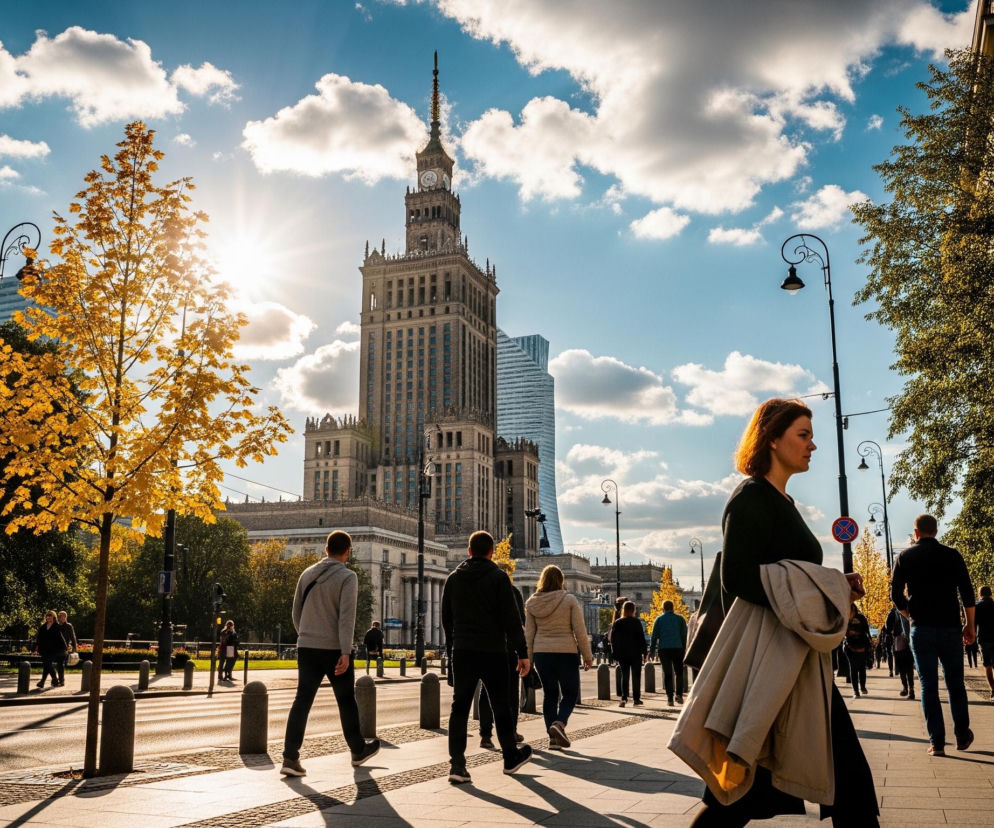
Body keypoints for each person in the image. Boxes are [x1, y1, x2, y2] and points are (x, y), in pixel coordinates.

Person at [684, 398, 877, 827]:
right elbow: (738, 577)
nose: (813, 446)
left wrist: (834, 585)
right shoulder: (752, 497)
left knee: (746, 797)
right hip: (773, 663)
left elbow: (788, 576)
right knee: (845, 785)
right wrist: (817, 588)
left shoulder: (782, 501)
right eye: (803, 435)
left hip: (794, 661)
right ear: (772, 439)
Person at [280, 530, 380, 776]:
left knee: (302, 701)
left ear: (326, 549)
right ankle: (357, 749)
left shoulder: (307, 574)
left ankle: (290, 757)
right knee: (346, 700)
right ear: (348, 551)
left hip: (307, 647)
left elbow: (296, 612)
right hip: (334, 649)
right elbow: (346, 617)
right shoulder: (348, 577)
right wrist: (345, 651)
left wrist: (306, 634)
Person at [442, 530, 532, 784]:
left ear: (469, 551)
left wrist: (452, 651)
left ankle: (457, 765)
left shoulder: (453, 579)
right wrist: (522, 653)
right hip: (493, 650)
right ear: (491, 552)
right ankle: (510, 757)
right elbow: (512, 620)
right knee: (500, 704)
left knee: (459, 708)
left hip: (463, 651)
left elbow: (447, 621)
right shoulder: (499, 578)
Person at [891, 514, 976, 756]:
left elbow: (895, 595)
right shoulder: (952, 555)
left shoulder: (905, 557)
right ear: (936, 531)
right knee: (955, 683)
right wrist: (970, 625)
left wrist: (910, 615)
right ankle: (962, 735)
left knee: (928, 686)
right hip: (950, 627)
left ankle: (937, 743)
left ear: (916, 533)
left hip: (922, 629)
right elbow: (967, 593)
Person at [525, 564, 594, 751]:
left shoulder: (532, 603)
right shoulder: (569, 600)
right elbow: (580, 630)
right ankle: (560, 723)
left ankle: (553, 739)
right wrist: (587, 655)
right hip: (566, 652)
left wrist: (528, 660)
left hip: (541, 653)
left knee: (550, 695)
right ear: (560, 580)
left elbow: (528, 635)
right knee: (570, 693)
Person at [479, 584, 526, 749]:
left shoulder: (482, 589)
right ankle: (511, 731)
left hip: (487, 648)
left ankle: (485, 735)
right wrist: (523, 653)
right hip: (508, 648)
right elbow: (520, 623)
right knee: (511, 692)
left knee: (486, 693)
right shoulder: (512, 591)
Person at [649, 599, 688, 705]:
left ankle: (670, 698)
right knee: (679, 673)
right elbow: (684, 635)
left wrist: (651, 651)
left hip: (664, 649)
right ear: (673, 608)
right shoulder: (680, 619)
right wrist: (685, 648)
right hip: (678, 648)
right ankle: (679, 695)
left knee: (667, 674)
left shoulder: (659, 619)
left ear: (663, 608)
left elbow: (654, 636)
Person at [610, 600, 647, 707]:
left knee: (625, 676)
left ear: (623, 610)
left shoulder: (618, 622)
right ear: (633, 610)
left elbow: (614, 640)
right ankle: (636, 699)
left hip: (623, 653)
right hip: (635, 653)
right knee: (636, 676)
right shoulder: (636, 622)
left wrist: (615, 654)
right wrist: (644, 652)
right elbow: (641, 638)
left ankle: (624, 698)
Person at [886, 606, 915, 700]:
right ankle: (910, 689)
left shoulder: (893, 612)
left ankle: (906, 688)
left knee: (903, 667)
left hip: (900, 641)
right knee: (908, 667)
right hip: (910, 639)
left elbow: (888, 628)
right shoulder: (909, 608)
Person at [844, 604, 872, 698]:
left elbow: (866, 630)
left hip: (861, 646)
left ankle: (863, 687)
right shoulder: (845, 618)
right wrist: (847, 633)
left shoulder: (861, 618)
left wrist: (856, 632)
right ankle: (856, 691)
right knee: (853, 668)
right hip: (850, 647)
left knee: (862, 668)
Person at [35, 610, 68, 688]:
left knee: (47, 663)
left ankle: (51, 679)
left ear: (54, 617)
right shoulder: (43, 627)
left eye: (50, 616)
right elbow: (39, 638)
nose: (48, 617)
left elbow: (60, 638)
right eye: (47, 615)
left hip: (54, 650)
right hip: (44, 649)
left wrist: (65, 647)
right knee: (46, 665)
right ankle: (45, 681)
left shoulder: (56, 626)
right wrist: (37, 646)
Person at [975, 585, 994, 699]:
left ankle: (993, 689)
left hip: (983, 639)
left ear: (980, 594)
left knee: (987, 666)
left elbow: (974, 623)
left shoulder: (978, 606)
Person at [56, 611, 78, 686]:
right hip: (56, 647)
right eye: (58, 616)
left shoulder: (68, 626)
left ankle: (61, 680)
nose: (59, 618)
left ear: (65, 617)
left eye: (61, 616)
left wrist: (74, 647)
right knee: (57, 664)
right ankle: (58, 679)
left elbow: (73, 637)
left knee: (60, 663)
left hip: (64, 647)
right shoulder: (56, 625)